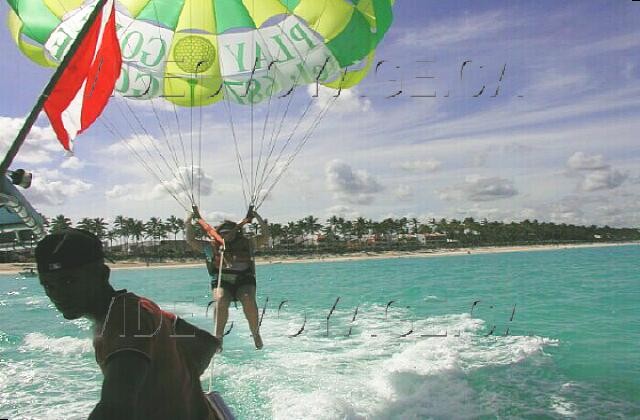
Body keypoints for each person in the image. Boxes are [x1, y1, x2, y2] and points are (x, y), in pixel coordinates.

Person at [35, 228, 221, 420]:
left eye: (68, 281)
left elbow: (114, 409)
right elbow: (205, 343)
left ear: (102, 274)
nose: (57, 294)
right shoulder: (135, 306)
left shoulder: (125, 321)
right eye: (48, 285)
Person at [185, 208, 270, 350]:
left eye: (229, 232)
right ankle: (218, 337)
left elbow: (265, 236)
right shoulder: (211, 247)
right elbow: (190, 240)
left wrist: (257, 217)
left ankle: (255, 333)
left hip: (244, 280)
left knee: (248, 299)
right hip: (222, 281)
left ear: (237, 232)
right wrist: (189, 221)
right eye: (223, 233)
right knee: (220, 300)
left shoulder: (247, 243)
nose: (227, 236)